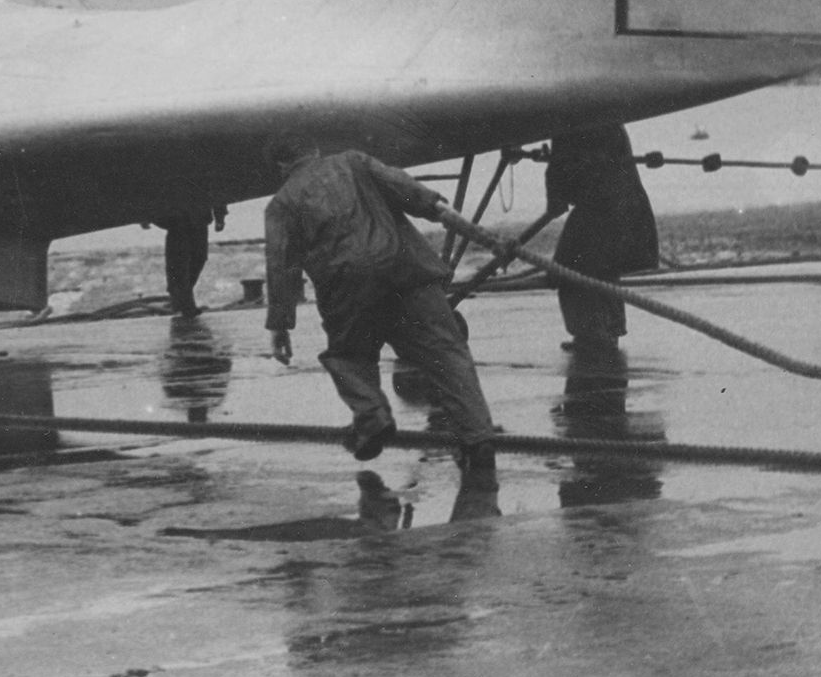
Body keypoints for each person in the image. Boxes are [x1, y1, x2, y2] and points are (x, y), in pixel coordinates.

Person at [263, 141, 497, 477]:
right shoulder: (353, 161)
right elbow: (402, 185)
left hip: (347, 287)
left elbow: (281, 265)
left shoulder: (281, 204)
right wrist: (437, 208)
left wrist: (280, 325)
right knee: (446, 353)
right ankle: (478, 441)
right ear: (315, 150)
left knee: (349, 357)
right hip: (406, 269)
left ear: (281, 167)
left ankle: (373, 418)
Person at [544, 123, 657, 350]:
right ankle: (604, 332)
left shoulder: (569, 116)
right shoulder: (605, 116)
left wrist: (555, 197)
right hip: (621, 205)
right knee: (601, 269)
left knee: (571, 271)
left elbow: (563, 169)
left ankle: (595, 334)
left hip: (601, 207)